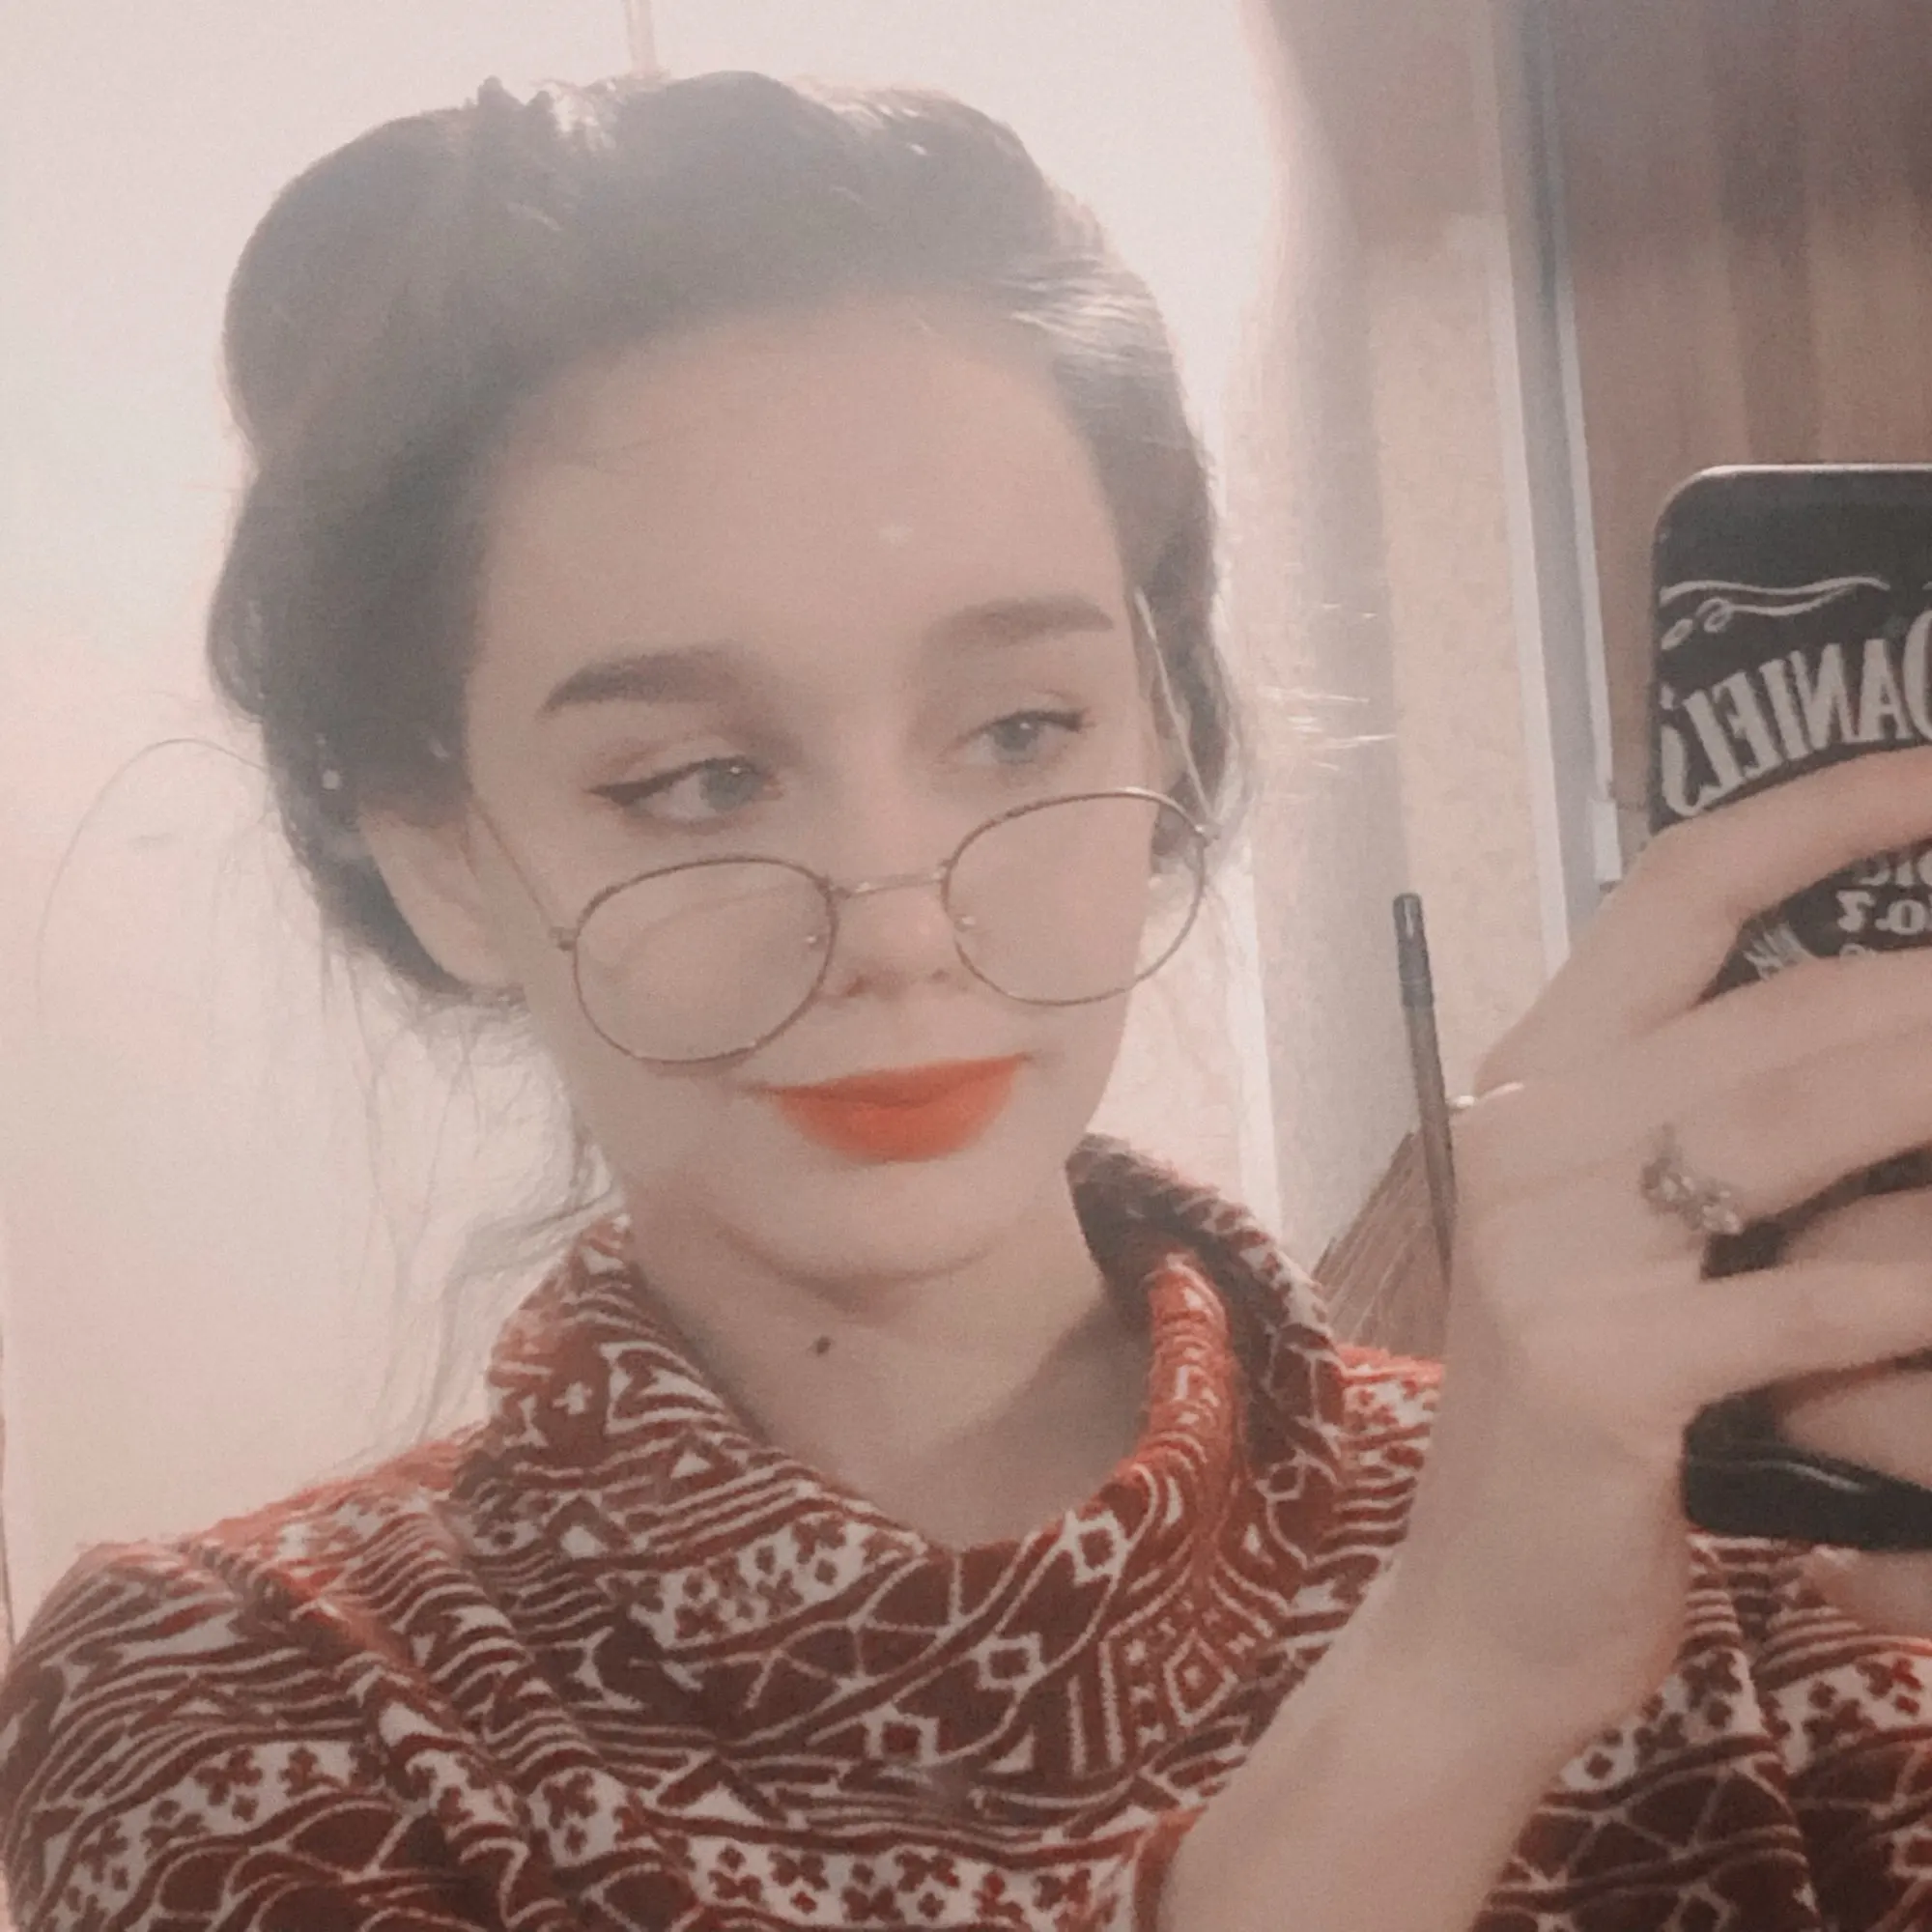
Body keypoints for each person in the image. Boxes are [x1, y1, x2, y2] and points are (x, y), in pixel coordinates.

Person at [5, 68, 1932, 1932]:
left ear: (1163, 740)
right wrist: (1456, 1690)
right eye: (699, 779)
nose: (900, 919)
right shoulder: (248, 1697)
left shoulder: (1749, 1576)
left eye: (1018, 728)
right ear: (443, 852)